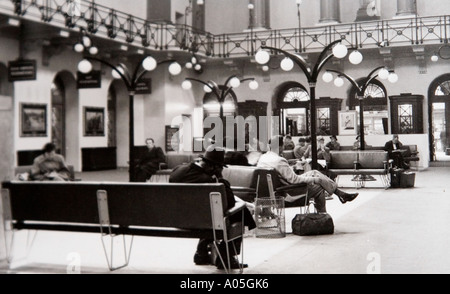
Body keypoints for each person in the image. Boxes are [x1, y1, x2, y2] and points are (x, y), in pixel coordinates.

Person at [169, 146, 256, 270]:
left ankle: (202, 253)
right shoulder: (210, 181)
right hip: (202, 221)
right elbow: (230, 202)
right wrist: (220, 179)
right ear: (213, 167)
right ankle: (226, 258)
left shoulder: (177, 171)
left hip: (178, 220)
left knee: (207, 213)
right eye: (220, 167)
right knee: (239, 212)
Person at [257, 136, 359, 212]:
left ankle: (340, 194)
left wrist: (294, 170)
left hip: (275, 190)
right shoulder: (279, 160)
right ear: (280, 146)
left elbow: (283, 175)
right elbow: (294, 180)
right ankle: (323, 215)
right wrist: (313, 180)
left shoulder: (263, 158)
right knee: (319, 187)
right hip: (288, 191)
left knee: (314, 172)